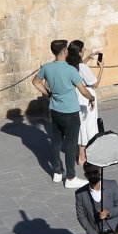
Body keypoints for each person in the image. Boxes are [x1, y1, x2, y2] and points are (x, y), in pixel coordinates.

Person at [33, 39, 96, 188]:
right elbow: (83, 90)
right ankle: (71, 177)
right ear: (64, 51)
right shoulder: (70, 70)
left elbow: (35, 81)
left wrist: (48, 94)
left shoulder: (47, 68)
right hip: (71, 112)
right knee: (71, 143)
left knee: (56, 141)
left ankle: (56, 172)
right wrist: (92, 98)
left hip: (55, 110)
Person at [76, 164, 118, 234]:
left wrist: (108, 212)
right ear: (85, 175)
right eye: (89, 173)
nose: (92, 175)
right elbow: (81, 217)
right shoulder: (80, 193)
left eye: (95, 172)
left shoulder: (112, 185)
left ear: (99, 172)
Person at [68, 40, 103, 149]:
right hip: (86, 96)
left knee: (81, 123)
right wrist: (101, 68)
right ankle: (87, 151)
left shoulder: (69, 64)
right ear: (79, 52)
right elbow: (95, 84)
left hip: (76, 95)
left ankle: (81, 152)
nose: (84, 51)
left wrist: (88, 57)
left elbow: (79, 67)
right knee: (88, 122)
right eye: (83, 49)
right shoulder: (82, 67)